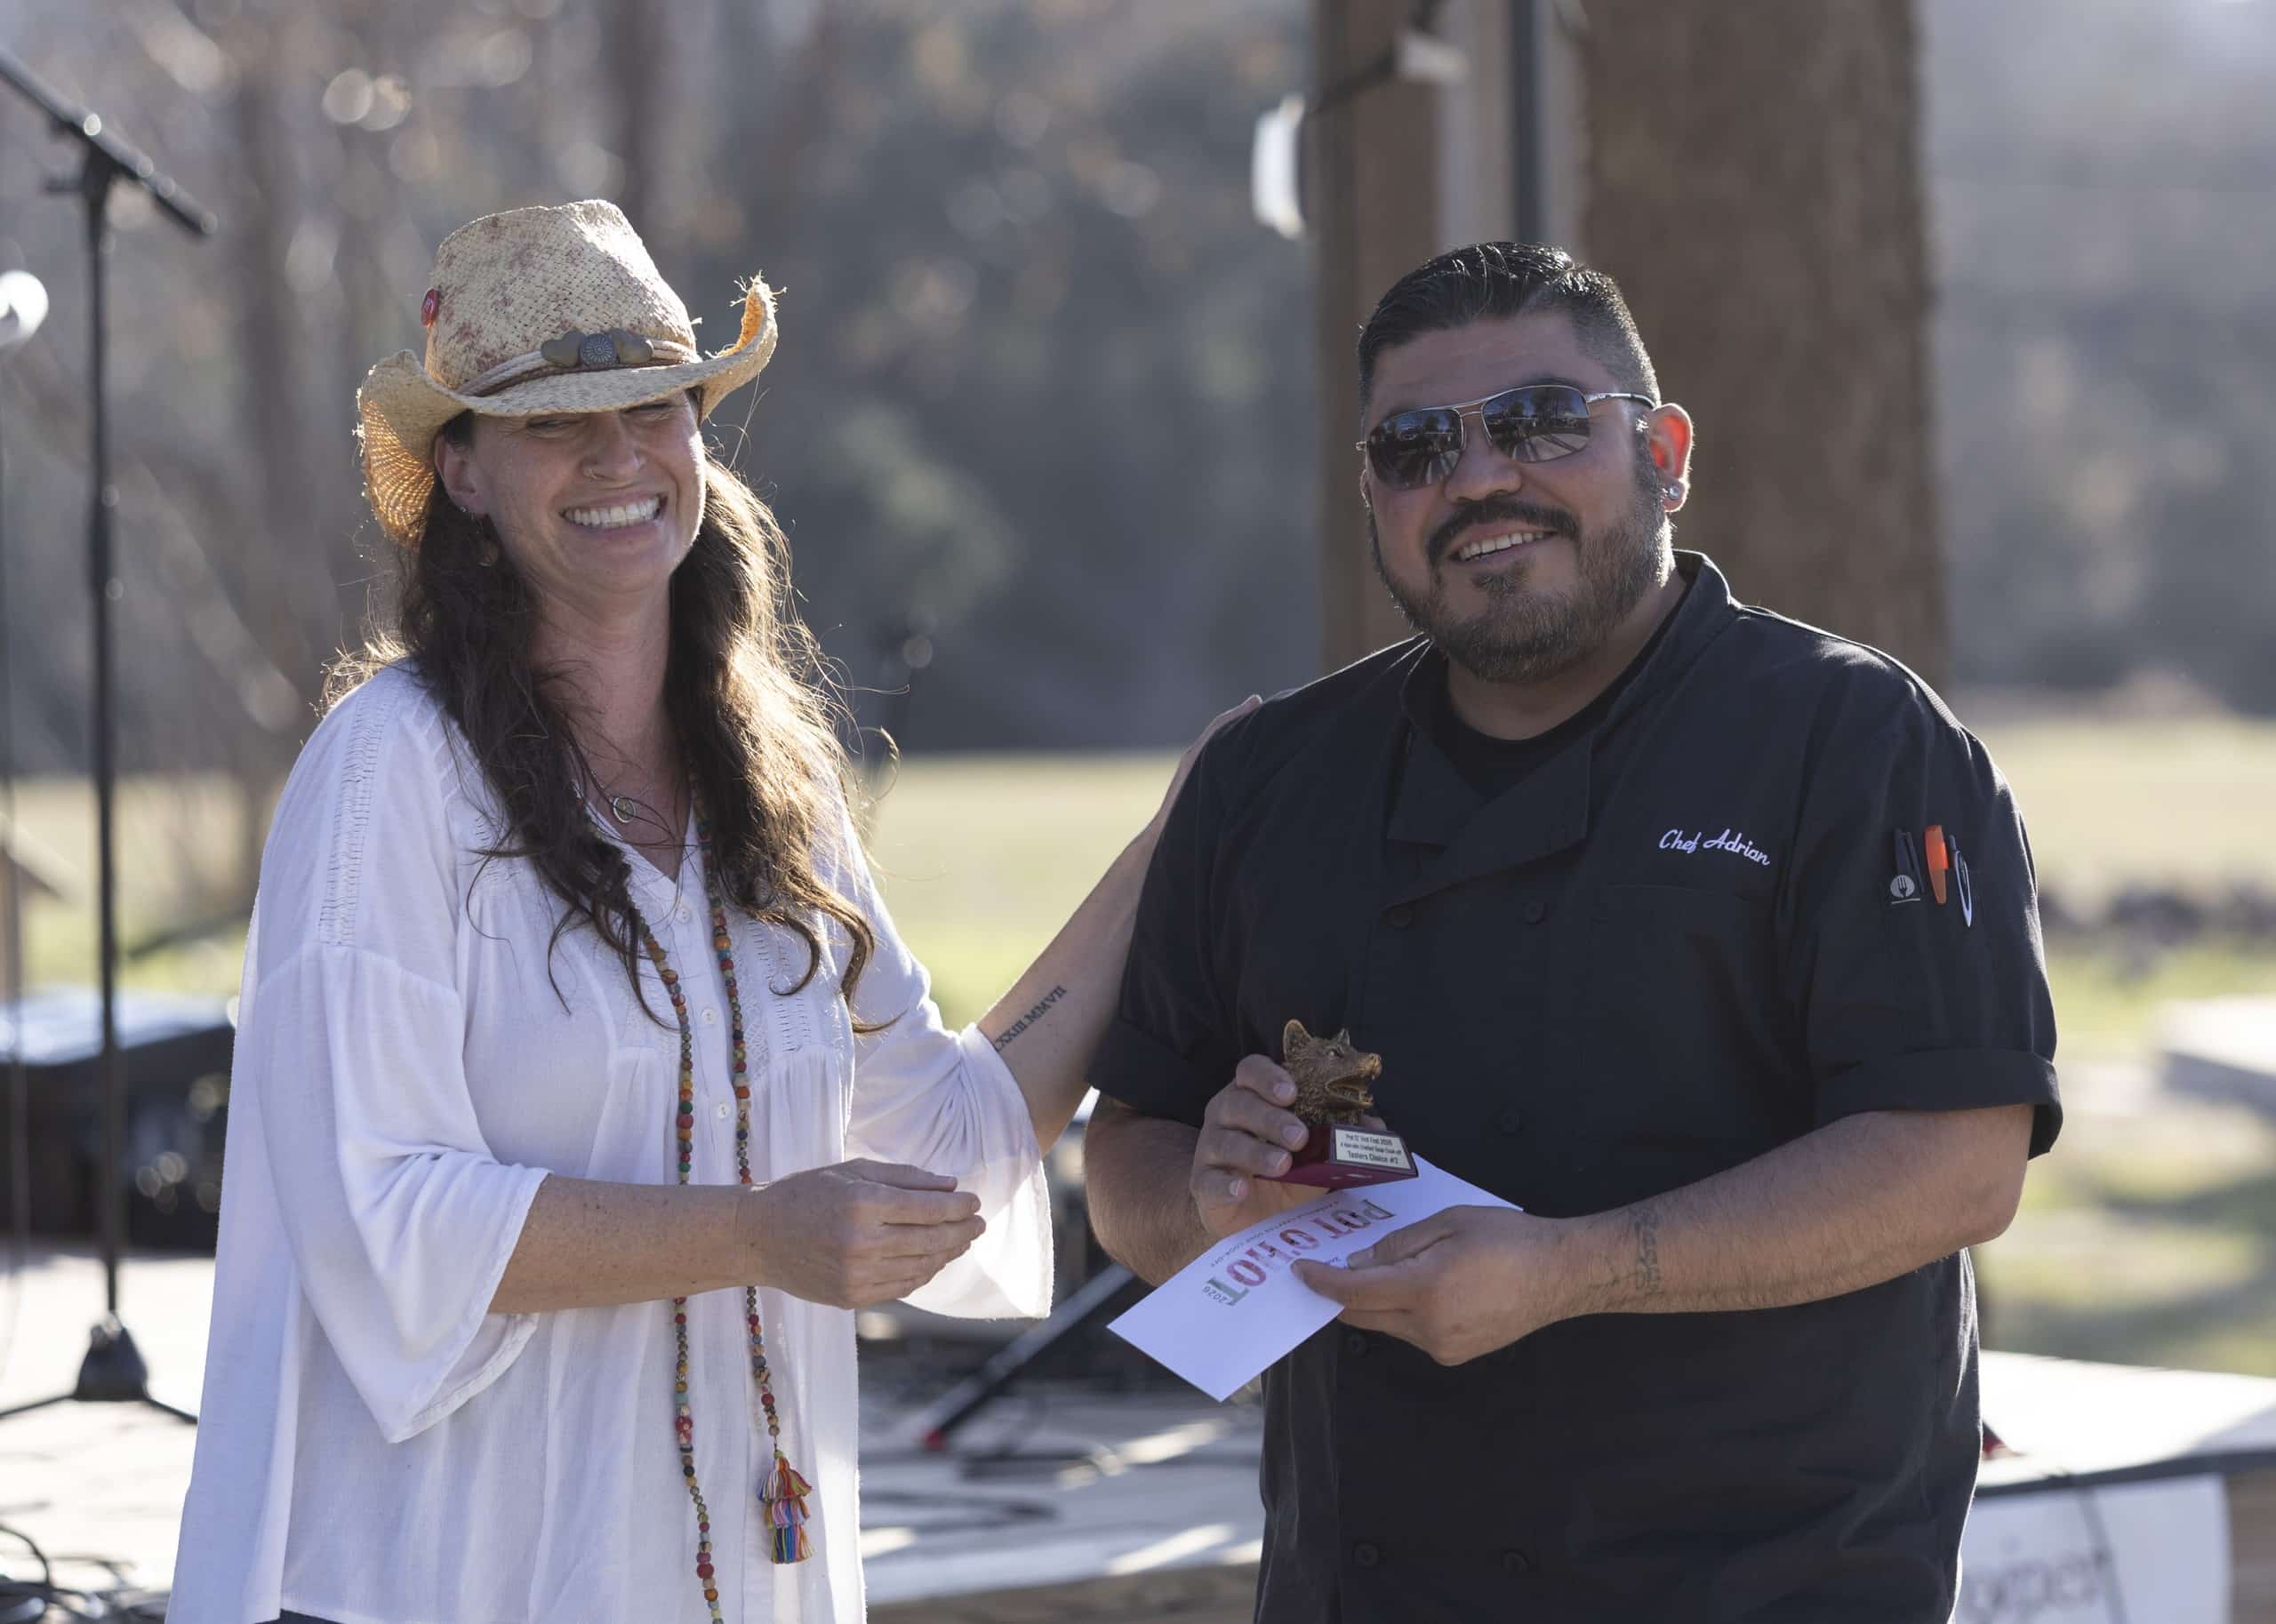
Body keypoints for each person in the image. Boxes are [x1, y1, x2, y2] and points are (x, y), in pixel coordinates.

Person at [168, 200, 1247, 1624]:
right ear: (464, 473)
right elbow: (382, 1220)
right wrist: (752, 1234)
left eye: (655, 407)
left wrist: (1183, 831)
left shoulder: (772, 780)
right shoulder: (389, 772)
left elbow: (947, 1136)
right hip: (445, 1583)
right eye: (557, 423)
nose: (619, 455)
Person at [1082, 242, 2061, 1623]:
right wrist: (1209, 1201)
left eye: (1542, 421)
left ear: (1665, 453)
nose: (1479, 478)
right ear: (1372, 496)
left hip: (1764, 1587)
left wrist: (1571, 1271)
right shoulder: (1267, 776)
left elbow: (1959, 1166)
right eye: (1417, 447)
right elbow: (1129, 1151)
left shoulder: (1851, 739)